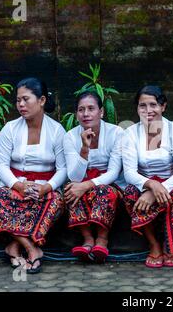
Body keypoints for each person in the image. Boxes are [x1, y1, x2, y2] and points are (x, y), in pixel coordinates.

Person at [0, 77, 67, 274]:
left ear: (41, 100)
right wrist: (17, 185)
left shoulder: (57, 130)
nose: (21, 105)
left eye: (26, 99)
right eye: (18, 100)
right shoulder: (10, 129)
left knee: (55, 201)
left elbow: (63, 169)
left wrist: (46, 188)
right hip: (14, 184)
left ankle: (14, 246)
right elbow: (0, 165)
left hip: (44, 186)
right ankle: (32, 248)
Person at [122, 85, 173, 268]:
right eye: (142, 106)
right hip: (144, 186)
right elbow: (129, 173)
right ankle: (153, 245)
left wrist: (158, 190)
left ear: (163, 107)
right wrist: (150, 186)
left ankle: (170, 248)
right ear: (137, 109)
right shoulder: (130, 133)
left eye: (153, 105)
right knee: (129, 193)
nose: (148, 111)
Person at [63, 90, 126, 263]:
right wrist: (84, 148)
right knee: (70, 190)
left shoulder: (116, 133)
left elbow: (113, 172)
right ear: (76, 114)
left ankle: (102, 240)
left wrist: (86, 185)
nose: (86, 114)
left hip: (111, 185)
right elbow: (74, 176)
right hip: (81, 183)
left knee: (104, 192)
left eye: (91, 108)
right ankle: (88, 239)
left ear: (102, 112)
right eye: (81, 109)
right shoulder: (70, 137)